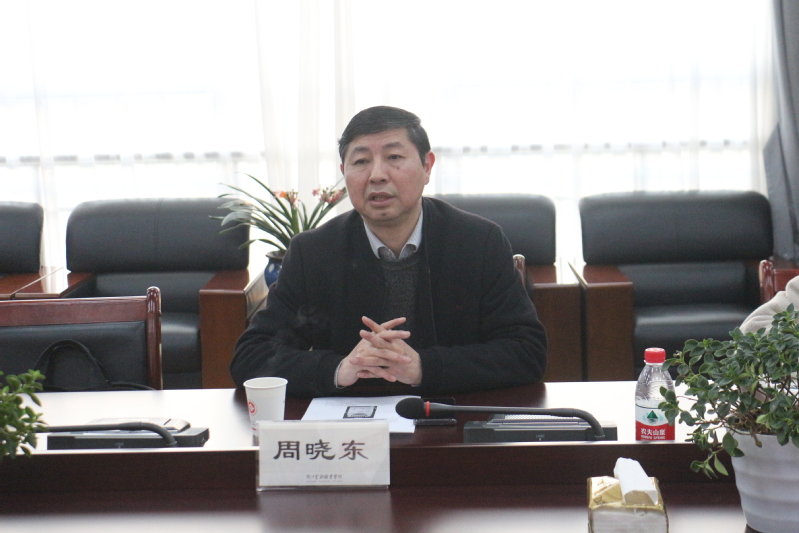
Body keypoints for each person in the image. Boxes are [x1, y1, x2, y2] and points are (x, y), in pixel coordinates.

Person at [230, 106, 548, 397]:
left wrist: (423, 367)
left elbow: (526, 352)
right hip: (350, 423)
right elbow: (252, 357)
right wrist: (340, 369)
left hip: (452, 415)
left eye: (394, 157)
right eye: (361, 161)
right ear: (344, 172)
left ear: (427, 166)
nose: (377, 175)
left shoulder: (479, 242)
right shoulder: (313, 252)